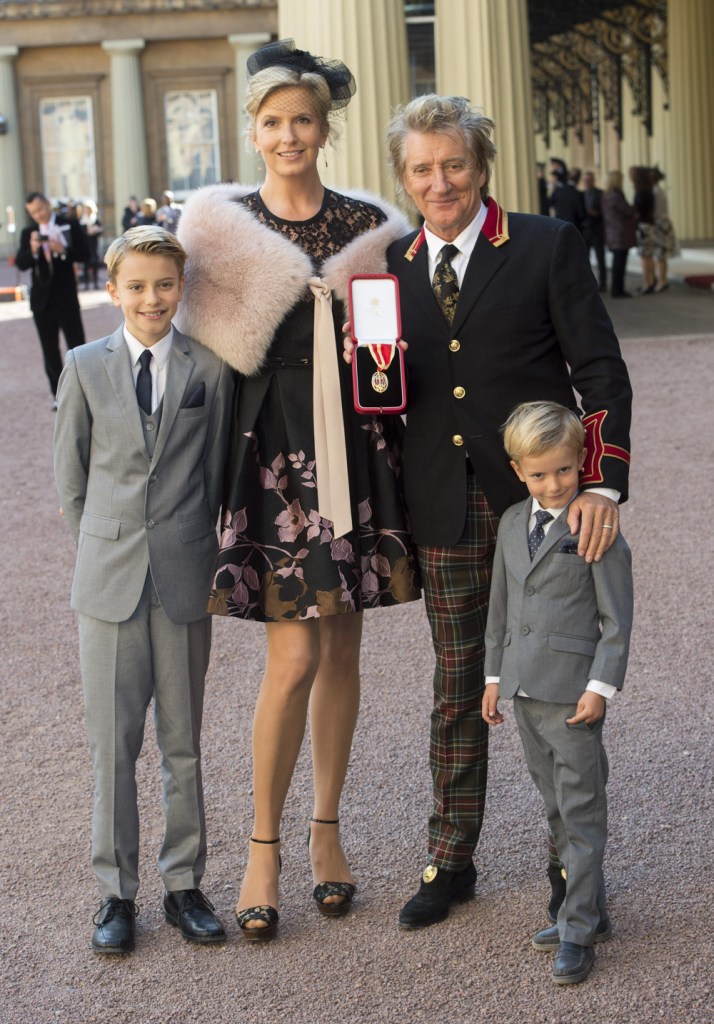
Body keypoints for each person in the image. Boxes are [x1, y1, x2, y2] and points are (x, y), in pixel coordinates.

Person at [345, 94, 631, 930]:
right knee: (458, 686)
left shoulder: (546, 244)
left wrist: (602, 486)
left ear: (482, 167)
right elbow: (385, 398)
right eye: (423, 169)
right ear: (405, 177)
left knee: (557, 693)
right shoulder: (387, 271)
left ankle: (569, 871)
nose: (441, 182)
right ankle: (452, 858)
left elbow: (601, 372)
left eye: (455, 165)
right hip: (446, 510)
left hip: (545, 512)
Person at [176, 39, 421, 941]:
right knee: (292, 659)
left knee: (346, 653)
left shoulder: (371, 227)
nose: (289, 135)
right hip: (273, 456)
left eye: (303, 121)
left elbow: (403, 350)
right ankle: (262, 847)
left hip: (355, 451)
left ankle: (327, 835)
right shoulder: (218, 227)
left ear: (326, 128)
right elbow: (192, 358)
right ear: (254, 129)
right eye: (273, 122)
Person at [53, 226, 234, 954]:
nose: (151, 298)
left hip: (184, 577)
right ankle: (115, 895)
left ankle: (184, 885)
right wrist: (103, 554)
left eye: (164, 284)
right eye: (137, 286)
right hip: (109, 582)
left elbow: (217, 473)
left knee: (182, 743)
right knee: (111, 746)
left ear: (180, 287)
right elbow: (71, 482)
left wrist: (189, 547)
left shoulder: (208, 369)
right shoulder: (84, 365)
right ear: (112, 288)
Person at [483, 400, 633, 985]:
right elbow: (501, 607)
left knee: (581, 812)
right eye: (540, 473)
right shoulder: (511, 521)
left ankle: (578, 929)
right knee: (554, 809)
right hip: (523, 691)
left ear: (581, 464)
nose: (554, 484)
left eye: (565, 471)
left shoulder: (595, 525)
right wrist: (495, 677)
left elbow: (616, 618)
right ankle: (584, 911)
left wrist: (601, 687)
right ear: (518, 470)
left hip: (573, 696)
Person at [15, 191, 89, 408]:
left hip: (66, 298)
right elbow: (22, 263)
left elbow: (85, 253)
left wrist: (63, 249)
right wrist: (33, 249)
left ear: (48, 205)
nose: (38, 215)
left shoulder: (70, 224)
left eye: (40, 209)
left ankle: (84, 392)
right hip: (41, 302)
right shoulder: (28, 232)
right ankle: (59, 396)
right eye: (33, 213)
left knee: (77, 348)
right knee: (49, 350)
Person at [601, 170, 638, 299]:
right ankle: (618, 290)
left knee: (618, 262)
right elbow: (627, 210)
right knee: (619, 263)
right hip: (620, 233)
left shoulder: (606, 195)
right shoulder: (616, 196)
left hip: (613, 232)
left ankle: (618, 289)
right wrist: (635, 208)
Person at [650, 167, 678, 292]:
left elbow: (655, 211)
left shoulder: (655, 192)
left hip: (660, 224)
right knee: (661, 254)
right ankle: (662, 279)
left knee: (660, 254)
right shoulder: (658, 190)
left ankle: (662, 280)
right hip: (663, 223)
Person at [630, 165, 656, 293]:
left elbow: (637, 211)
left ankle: (648, 283)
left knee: (645, 256)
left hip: (643, 226)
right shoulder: (649, 191)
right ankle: (649, 281)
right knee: (648, 255)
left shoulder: (640, 192)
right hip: (649, 224)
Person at [581, 170, 607, 291]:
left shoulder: (600, 194)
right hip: (585, 230)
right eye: (585, 180)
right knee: (585, 258)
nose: (587, 182)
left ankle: (603, 282)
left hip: (597, 230)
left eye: (589, 180)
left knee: (600, 257)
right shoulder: (581, 194)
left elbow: (605, 212)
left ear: (593, 181)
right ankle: (588, 283)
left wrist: (595, 213)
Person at [78, 199, 104, 290]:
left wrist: (95, 231)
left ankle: (96, 282)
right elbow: (79, 234)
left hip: (94, 244)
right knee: (86, 264)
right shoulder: (82, 221)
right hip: (85, 245)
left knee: (95, 263)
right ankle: (86, 283)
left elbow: (100, 231)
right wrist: (87, 233)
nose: (86, 211)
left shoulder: (95, 219)